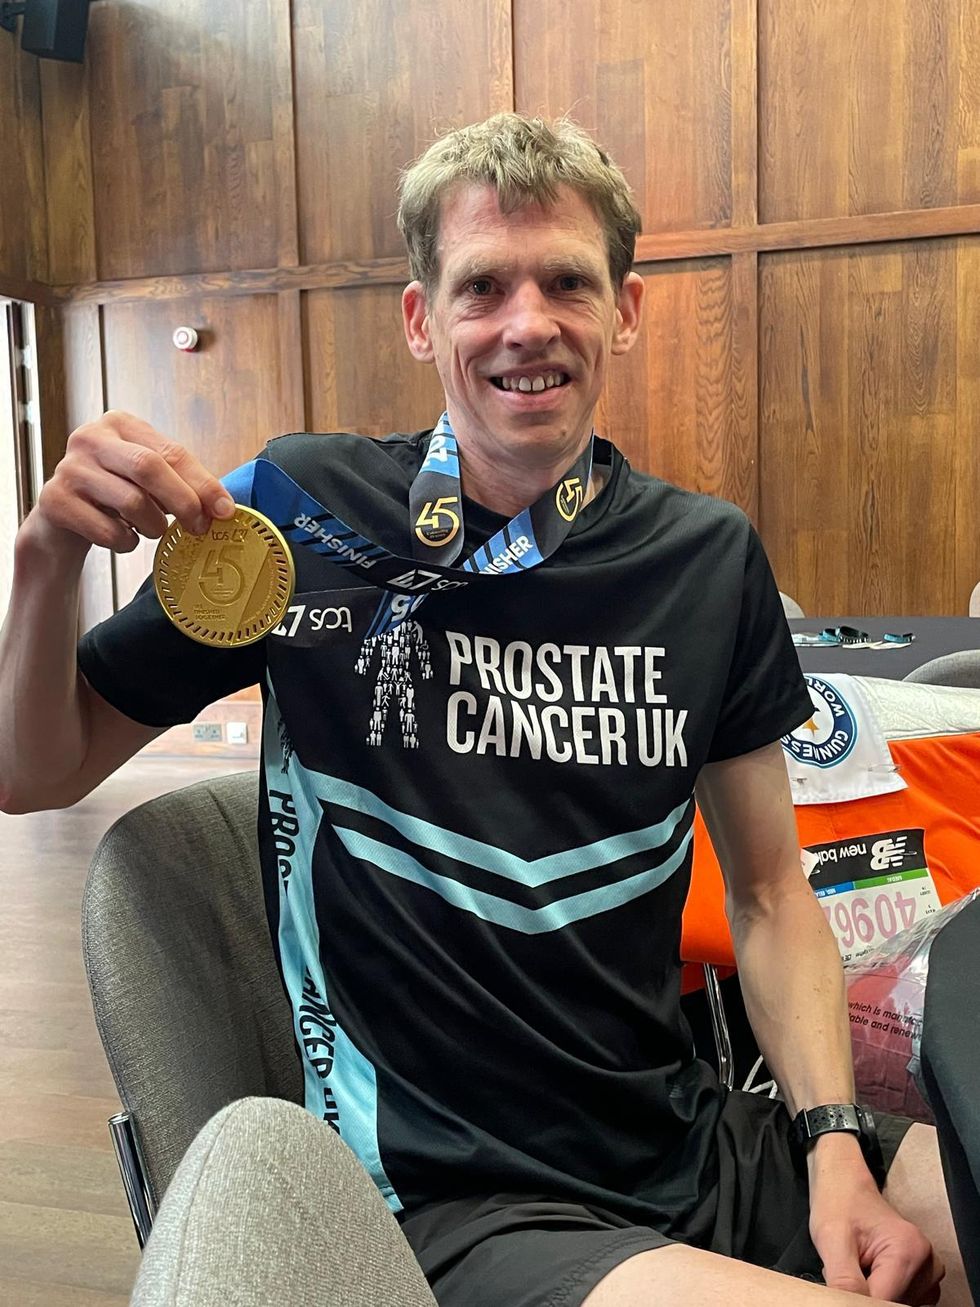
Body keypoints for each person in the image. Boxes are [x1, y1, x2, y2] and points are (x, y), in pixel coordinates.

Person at [0, 114, 968, 1307]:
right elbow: (32, 769)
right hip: (446, 1198)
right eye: (481, 286)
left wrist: (830, 1145)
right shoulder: (297, 514)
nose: (526, 322)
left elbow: (770, 895)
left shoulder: (706, 558)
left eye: (566, 281)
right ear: (421, 319)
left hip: (682, 1139)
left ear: (623, 310)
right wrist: (42, 554)